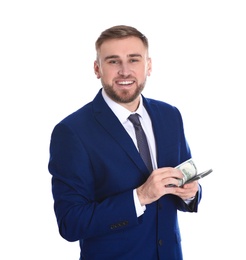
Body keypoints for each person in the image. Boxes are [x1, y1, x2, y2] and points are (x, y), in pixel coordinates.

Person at [48, 25, 202, 260]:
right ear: (97, 68)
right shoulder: (71, 132)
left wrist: (191, 192)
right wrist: (140, 197)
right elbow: (70, 222)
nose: (125, 71)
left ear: (148, 66)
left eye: (133, 60)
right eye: (113, 61)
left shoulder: (170, 116)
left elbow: (186, 185)